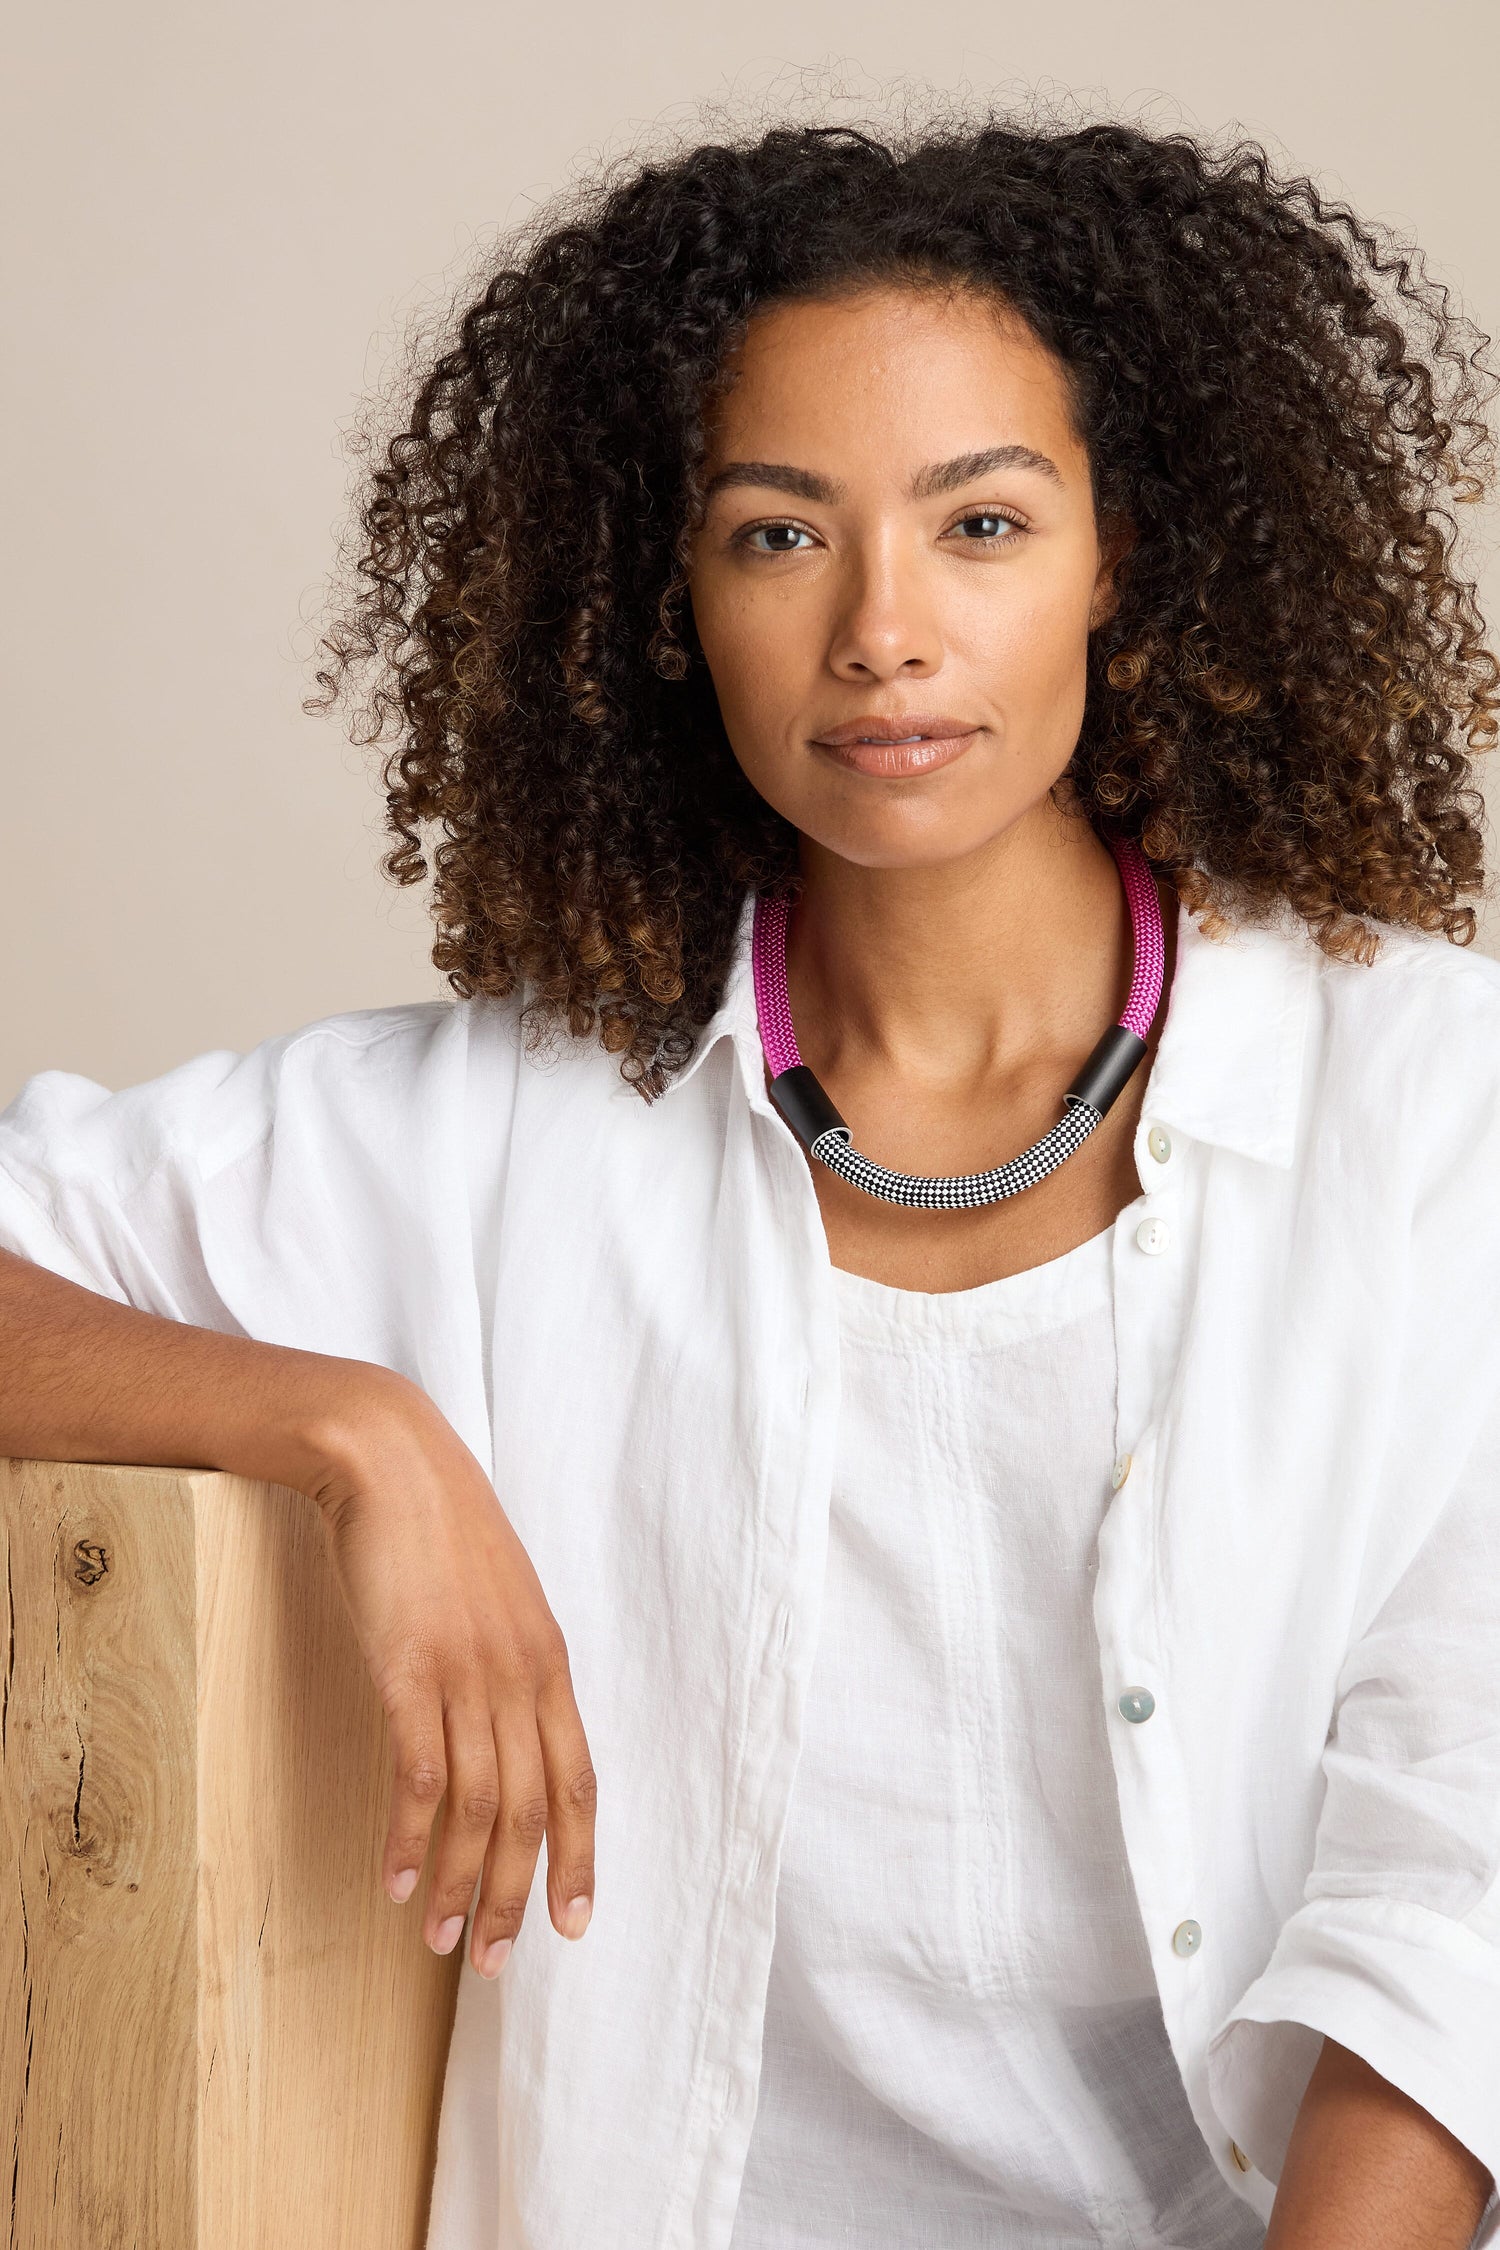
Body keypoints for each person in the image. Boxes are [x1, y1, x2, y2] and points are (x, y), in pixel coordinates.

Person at [2, 109, 1499, 2250]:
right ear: (673, 598)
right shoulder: (500, 1129)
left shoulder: (1439, 1109)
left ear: (1122, 557)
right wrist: (350, 1430)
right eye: (780, 536)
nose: (885, 631)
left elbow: (1458, 1907)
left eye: (982, 524)